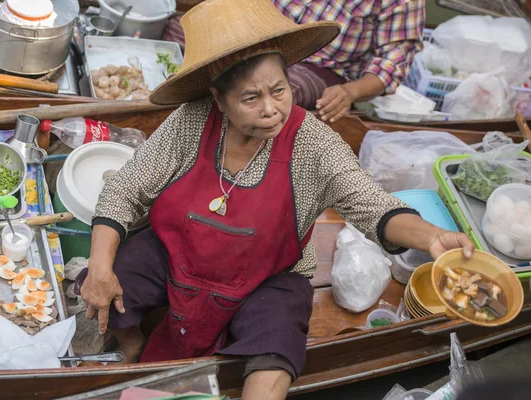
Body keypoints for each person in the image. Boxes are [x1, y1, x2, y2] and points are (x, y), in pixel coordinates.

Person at [76, 0, 473, 398]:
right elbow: (126, 188)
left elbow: (373, 205)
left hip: (269, 277)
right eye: (251, 99)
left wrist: (430, 237)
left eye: (279, 90)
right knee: (117, 274)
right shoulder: (191, 120)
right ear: (219, 100)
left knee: (278, 340)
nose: (271, 110)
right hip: (178, 254)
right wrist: (99, 266)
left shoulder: (313, 142)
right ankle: (131, 346)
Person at [163, 0, 425, 120]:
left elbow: (392, 66)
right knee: (178, 28)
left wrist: (349, 91)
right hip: (263, 34)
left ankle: (204, 130)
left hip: (320, 66)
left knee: (276, 90)